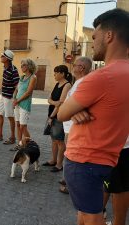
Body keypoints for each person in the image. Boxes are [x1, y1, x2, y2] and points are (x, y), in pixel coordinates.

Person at [58, 9, 129, 225]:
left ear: (109, 36)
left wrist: (73, 108)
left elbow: (61, 114)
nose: (93, 40)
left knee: (89, 218)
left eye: (95, 36)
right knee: (89, 213)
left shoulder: (100, 77)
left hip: (83, 160)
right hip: (108, 158)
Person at [59, 57, 92, 194]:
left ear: (82, 68)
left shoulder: (83, 83)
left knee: (72, 157)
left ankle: (70, 184)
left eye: (75, 65)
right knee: (69, 155)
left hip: (73, 127)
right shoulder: (78, 82)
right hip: (69, 126)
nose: (73, 66)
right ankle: (67, 179)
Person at [42, 65, 72, 172]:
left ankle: (59, 165)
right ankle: (53, 160)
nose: (54, 74)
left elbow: (61, 103)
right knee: (53, 140)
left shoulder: (67, 85)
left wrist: (51, 116)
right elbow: (49, 99)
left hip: (58, 116)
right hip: (52, 113)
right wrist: (54, 103)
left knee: (59, 141)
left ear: (62, 73)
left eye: (56, 72)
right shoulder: (57, 84)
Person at [0, 50, 19, 145]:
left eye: (2, 56)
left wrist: (14, 98)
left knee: (10, 117)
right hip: (3, 95)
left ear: (7, 58)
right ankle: (0, 134)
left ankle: (12, 137)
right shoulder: (5, 68)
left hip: (9, 97)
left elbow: (17, 86)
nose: (1, 57)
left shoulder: (13, 70)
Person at [10, 58, 37, 151]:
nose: (21, 67)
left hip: (24, 104)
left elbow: (28, 92)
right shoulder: (22, 77)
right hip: (17, 104)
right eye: (21, 65)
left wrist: (17, 101)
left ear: (29, 66)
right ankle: (20, 144)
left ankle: (30, 144)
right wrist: (14, 99)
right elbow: (16, 89)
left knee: (23, 126)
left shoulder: (33, 77)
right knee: (18, 125)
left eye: (24, 65)